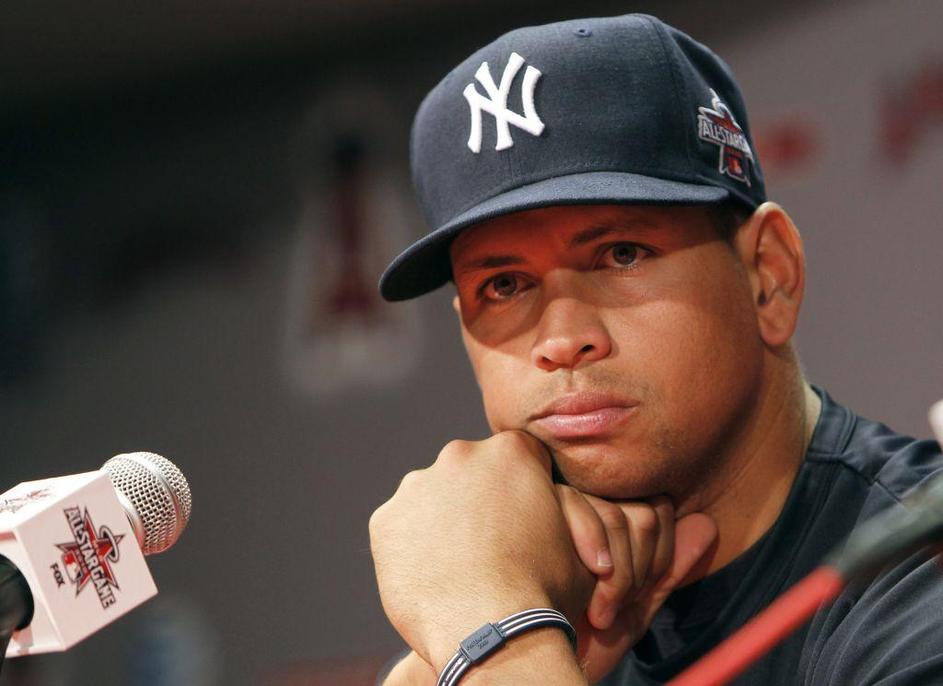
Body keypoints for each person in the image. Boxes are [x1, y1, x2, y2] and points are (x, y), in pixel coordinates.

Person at [368, 14, 943, 685]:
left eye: (622, 254)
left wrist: (493, 634)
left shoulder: (919, 577)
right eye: (504, 285)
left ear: (768, 277)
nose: (560, 340)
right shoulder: (565, 612)